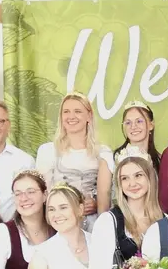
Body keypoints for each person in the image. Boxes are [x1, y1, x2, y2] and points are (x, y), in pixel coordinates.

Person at [36, 92, 113, 228]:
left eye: (77, 111)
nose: (71, 116)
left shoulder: (103, 152)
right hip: (59, 224)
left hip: (92, 225)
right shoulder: (48, 151)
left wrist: (96, 207)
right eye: (66, 112)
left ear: (89, 116)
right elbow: (44, 195)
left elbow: (104, 195)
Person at [115, 102, 160, 169]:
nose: (133, 127)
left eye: (139, 121)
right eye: (128, 123)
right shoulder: (113, 159)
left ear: (151, 125)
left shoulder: (161, 160)